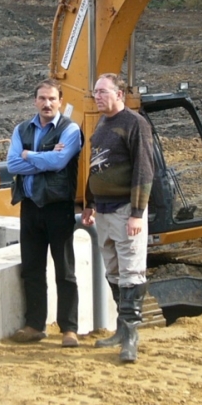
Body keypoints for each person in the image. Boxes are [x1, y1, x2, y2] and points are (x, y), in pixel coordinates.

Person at [81, 73, 154, 363]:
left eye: (102, 92)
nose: (97, 96)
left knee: (131, 271)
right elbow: (95, 167)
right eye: (95, 92)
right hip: (104, 210)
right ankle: (121, 331)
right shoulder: (101, 124)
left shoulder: (135, 124)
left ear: (119, 94)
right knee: (112, 270)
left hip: (126, 209)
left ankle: (131, 338)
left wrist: (137, 213)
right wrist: (88, 203)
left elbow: (144, 170)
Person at [6, 79, 83, 348]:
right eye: (42, 98)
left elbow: (61, 161)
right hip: (29, 207)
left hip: (58, 207)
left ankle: (69, 329)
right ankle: (35, 325)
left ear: (60, 100)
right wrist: (43, 157)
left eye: (52, 98)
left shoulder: (70, 129)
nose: (47, 103)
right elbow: (12, 164)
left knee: (65, 270)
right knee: (32, 269)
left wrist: (29, 155)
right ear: (34, 101)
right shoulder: (21, 129)